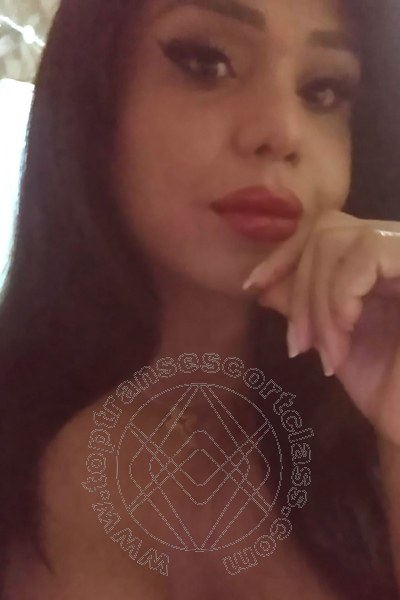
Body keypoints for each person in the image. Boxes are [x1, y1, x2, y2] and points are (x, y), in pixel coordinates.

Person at [1, 0, 400, 597]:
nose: (282, 132)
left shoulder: (372, 430)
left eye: (323, 90)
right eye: (206, 63)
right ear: (96, 98)